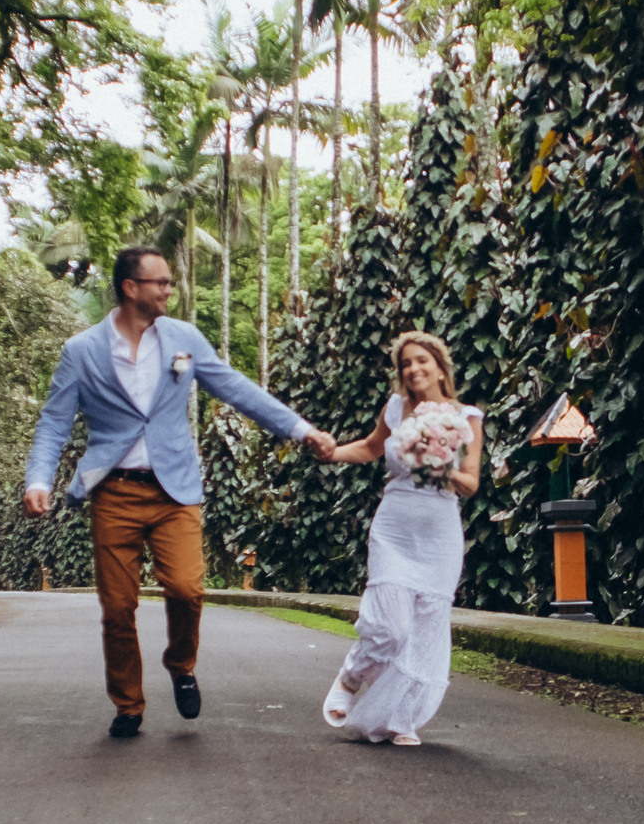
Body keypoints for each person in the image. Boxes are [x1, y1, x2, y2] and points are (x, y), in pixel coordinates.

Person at [24, 247, 335, 738]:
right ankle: (128, 705)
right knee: (118, 607)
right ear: (131, 288)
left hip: (175, 491)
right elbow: (54, 422)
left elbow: (236, 389)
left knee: (188, 590)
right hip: (114, 492)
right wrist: (38, 480)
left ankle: (181, 664)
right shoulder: (81, 350)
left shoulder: (183, 338)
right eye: (161, 282)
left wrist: (302, 430)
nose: (170, 289)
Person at [319, 332, 483, 747]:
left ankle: (402, 718)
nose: (413, 369)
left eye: (421, 360)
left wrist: (437, 465)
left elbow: (470, 484)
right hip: (394, 527)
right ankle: (352, 674)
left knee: (425, 631)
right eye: (406, 363)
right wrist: (331, 452)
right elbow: (370, 448)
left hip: (439, 534)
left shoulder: (467, 418)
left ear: (440, 367)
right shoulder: (395, 408)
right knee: (390, 627)